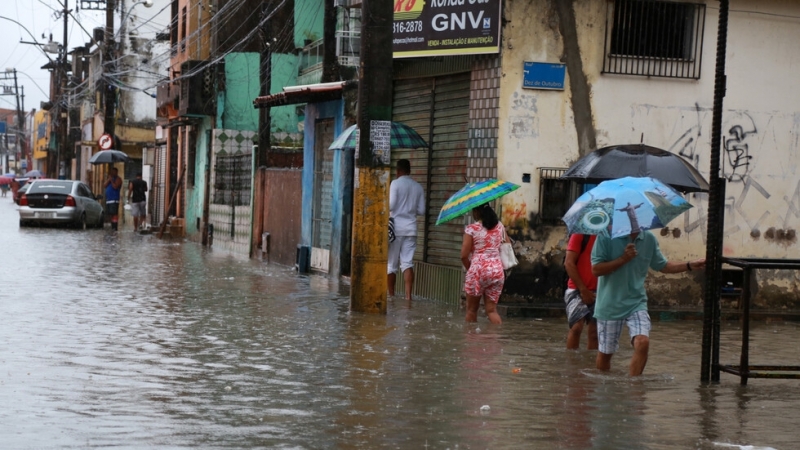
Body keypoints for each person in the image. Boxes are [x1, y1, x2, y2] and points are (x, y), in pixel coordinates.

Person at [591, 230, 705, 376]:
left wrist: (690, 265)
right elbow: (596, 269)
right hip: (609, 304)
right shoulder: (605, 236)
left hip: (636, 302)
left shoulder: (648, 238)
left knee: (643, 342)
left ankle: (634, 389)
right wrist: (623, 259)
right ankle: (603, 390)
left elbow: (662, 265)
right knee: (606, 354)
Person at [461, 203, 507, 324]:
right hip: (497, 271)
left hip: (478, 270)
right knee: (491, 310)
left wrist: (471, 269)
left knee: (471, 310)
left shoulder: (471, 229)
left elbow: (464, 255)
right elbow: (507, 246)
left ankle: (470, 342)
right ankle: (496, 340)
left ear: (477, 212)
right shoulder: (499, 226)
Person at [387, 159, 425, 301]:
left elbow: (390, 206)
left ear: (398, 170)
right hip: (411, 229)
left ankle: (391, 296)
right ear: (409, 170)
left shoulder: (395, 184)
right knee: (407, 263)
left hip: (396, 229)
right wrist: (409, 207)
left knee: (391, 264)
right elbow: (421, 210)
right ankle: (408, 297)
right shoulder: (418, 187)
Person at [564, 234, 598, 350]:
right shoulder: (581, 234)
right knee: (576, 327)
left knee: (595, 332)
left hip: (600, 290)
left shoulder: (609, 236)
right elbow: (569, 263)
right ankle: (572, 364)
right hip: (577, 289)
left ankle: (591, 365)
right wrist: (583, 290)